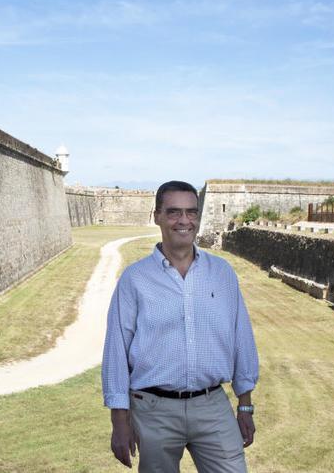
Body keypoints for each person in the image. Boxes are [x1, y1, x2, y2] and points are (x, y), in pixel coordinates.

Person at [101, 180, 259, 473]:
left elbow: (242, 339)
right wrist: (119, 421)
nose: (184, 221)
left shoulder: (222, 273)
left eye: (191, 212)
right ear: (157, 216)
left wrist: (245, 405)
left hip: (212, 406)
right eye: (173, 212)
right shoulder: (135, 280)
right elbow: (115, 351)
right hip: (153, 411)